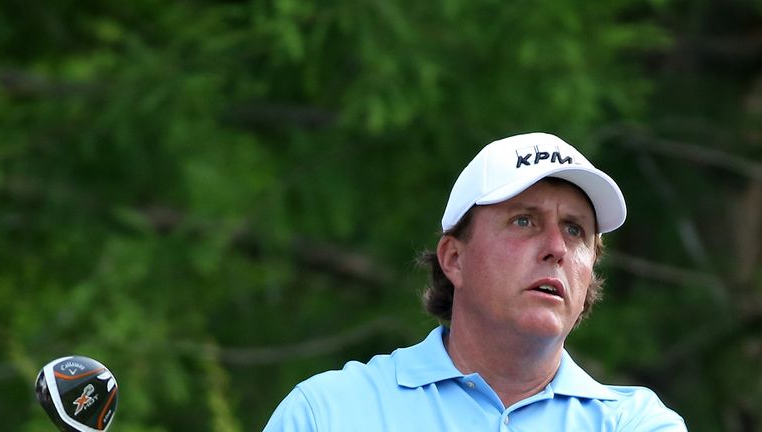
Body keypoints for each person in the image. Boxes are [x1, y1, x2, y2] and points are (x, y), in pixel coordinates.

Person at [263, 132, 687, 431]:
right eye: (524, 221)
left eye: (575, 230)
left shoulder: (638, 424)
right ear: (454, 258)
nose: (556, 247)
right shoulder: (329, 415)